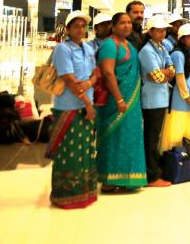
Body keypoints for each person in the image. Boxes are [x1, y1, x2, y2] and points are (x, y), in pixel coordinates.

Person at [47, 11, 99, 209]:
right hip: (69, 107)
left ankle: (84, 192)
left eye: (83, 25)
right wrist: (87, 101)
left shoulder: (87, 47)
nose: (80, 29)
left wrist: (88, 84)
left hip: (87, 105)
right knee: (68, 152)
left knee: (85, 150)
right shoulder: (63, 49)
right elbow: (68, 79)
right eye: (76, 26)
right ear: (68, 29)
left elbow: (95, 74)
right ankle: (64, 195)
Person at [97, 12, 147, 192]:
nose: (126, 26)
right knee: (114, 137)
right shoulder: (109, 45)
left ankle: (129, 178)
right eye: (122, 23)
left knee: (130, 136)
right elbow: (108, 73)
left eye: (128, 23)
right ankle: (109, 179)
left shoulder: (130, 46)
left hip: (132, 101)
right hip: (115, 99)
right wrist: (119, 98)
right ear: (113, 26)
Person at [138, 16, 175, 187]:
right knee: (151, 139)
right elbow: (157, 77)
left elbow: (171, 69)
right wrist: (165, 73)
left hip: (160, 99)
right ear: (151, 32)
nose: (162, 33)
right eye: (159, 30)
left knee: (155, 137)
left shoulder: (161, 47)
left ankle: (153, 171)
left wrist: (165, 72)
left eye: (164, 30)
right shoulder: (147, 51)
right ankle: (151, 176)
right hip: (151, 100)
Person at [160, 24, 190, 153]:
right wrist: (187, 97)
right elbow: (180, 77)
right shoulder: (178, 54)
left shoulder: (188, 53)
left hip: (185, 97)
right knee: (176, 128)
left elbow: (189, 78)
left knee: (184, 128)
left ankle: (182, 160)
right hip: (178, 97)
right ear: (182, 39)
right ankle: (172, 159)